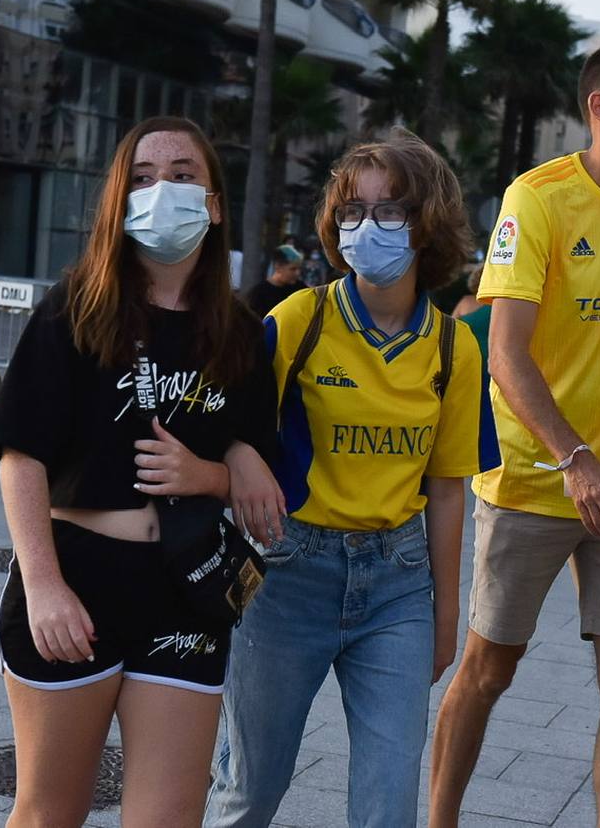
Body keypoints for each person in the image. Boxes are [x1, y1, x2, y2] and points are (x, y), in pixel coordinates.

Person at [0, 117, 279, 828]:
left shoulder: (239, 333)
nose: (160, 190)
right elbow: (21, 459)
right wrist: (44, 585)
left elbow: (250, 460)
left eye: (181, 175)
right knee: (51, 812)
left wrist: (218, 467)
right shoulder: (73, 309)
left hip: (185, 589)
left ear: (213, 203)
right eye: (141, 179)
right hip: (74, 581)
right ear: (117, 200)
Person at [429, 35, 600, 828]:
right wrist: (575, 457)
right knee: (488, 670)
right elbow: (504, 355)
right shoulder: (538, 198)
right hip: (536, 475)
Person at [206, 130, 499, 828]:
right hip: (286, 575)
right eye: (354, 211)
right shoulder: (299, 320)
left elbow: (449, 488)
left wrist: (445, 618)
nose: (368, 227)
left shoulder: (456, 348)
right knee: (250, 792)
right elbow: (227, 427)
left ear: (428, 223)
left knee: (388, 805)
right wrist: (242, 460)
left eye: (390, 210)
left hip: (397, 586)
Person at [244, 244, 305, 319]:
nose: (297, 273)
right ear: (278, 267)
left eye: (299, 269)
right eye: (293, 269)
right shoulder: (259, 294)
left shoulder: (300, 289)